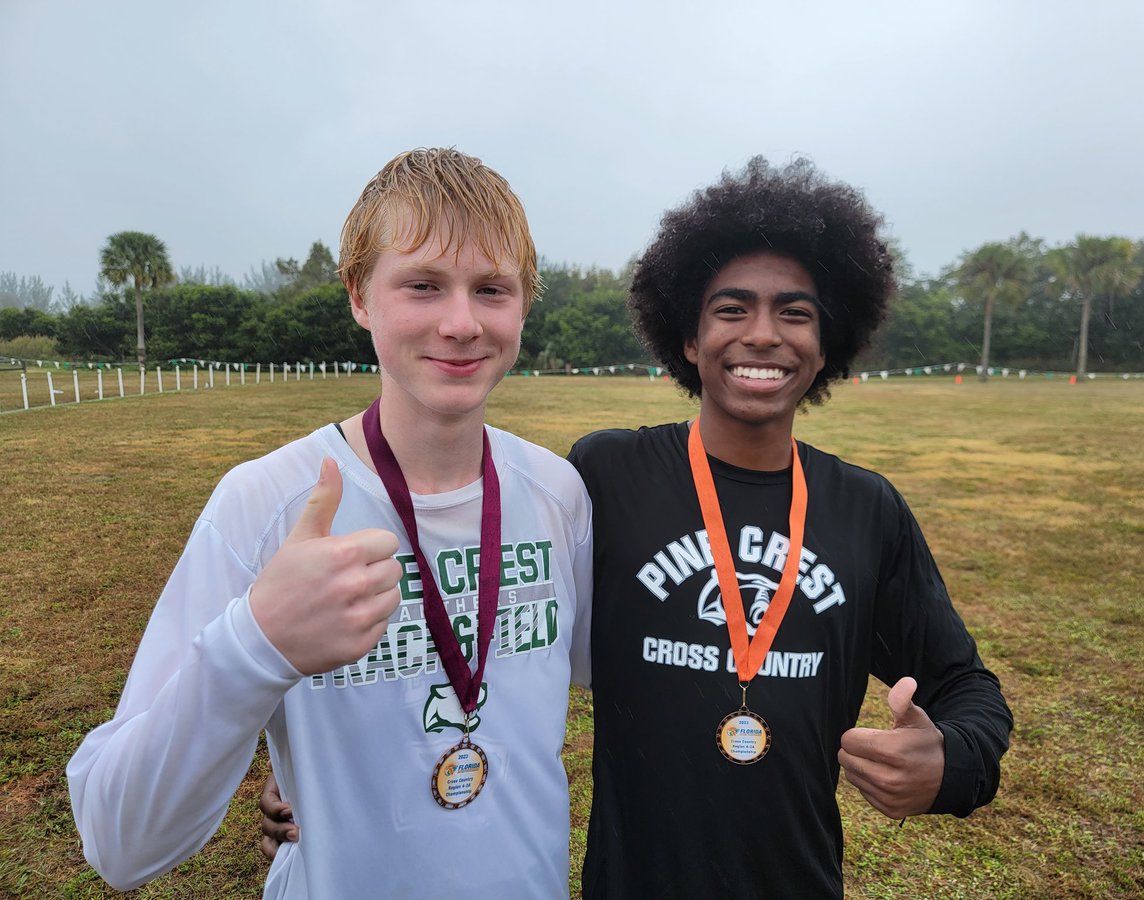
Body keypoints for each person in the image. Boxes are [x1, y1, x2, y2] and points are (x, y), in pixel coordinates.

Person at [262, 156, 1013, 897]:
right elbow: (483, 628)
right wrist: (311, 777)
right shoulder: (607, 476)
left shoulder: (864, 509)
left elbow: (966, 684)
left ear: (828, 344)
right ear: (687, 338)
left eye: (795, 312)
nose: (762, 334)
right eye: (731, 309)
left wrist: (955, 763)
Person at [68, 148, 593, 898]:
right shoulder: (264, 503)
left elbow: (608, 673)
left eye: (491, 289)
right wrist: (256, 646)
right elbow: (119, 843)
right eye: (422, 285)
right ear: (359, 296)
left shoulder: (557, 493)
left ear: (523, 304)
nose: (460, 322)